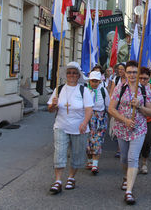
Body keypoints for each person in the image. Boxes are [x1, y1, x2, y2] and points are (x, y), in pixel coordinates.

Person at [108, 60, 151, 205]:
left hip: (139, 129)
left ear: (138, 73)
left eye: (135, 72)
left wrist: (140, 106)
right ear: (125, 73)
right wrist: (124, 120)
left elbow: (150, 111)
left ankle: (129, 191)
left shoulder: (144, 90)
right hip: (122, 129)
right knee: (124, 159)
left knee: (133, 158)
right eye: (129, 72)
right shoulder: (119, 88)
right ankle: (126, 177)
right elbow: (111, 109)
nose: (132, 75)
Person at [47, 61, 93, 194]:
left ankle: (71, 177)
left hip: (79, 128)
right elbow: (50, 110)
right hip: (61, 126)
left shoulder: (84, 90)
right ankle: (58, 181)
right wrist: (53, 105)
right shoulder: (59, 89)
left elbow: (89, 109)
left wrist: (84, 123)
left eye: (74, 73)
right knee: (59, 152)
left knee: (77, 154)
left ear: (78, 76)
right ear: (66, 75)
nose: (71, 75)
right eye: (69, 72)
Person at [86, 71, 110, 175]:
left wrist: (110, 119)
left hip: (100, 118)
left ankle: (95, 164)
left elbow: (108, 105)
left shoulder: (103, 90)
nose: (94, 83)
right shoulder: (85, 90)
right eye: (92, 81)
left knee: (97, 141)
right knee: (88, 140)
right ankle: (90, 160)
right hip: (88, 117)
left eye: (96, 81)